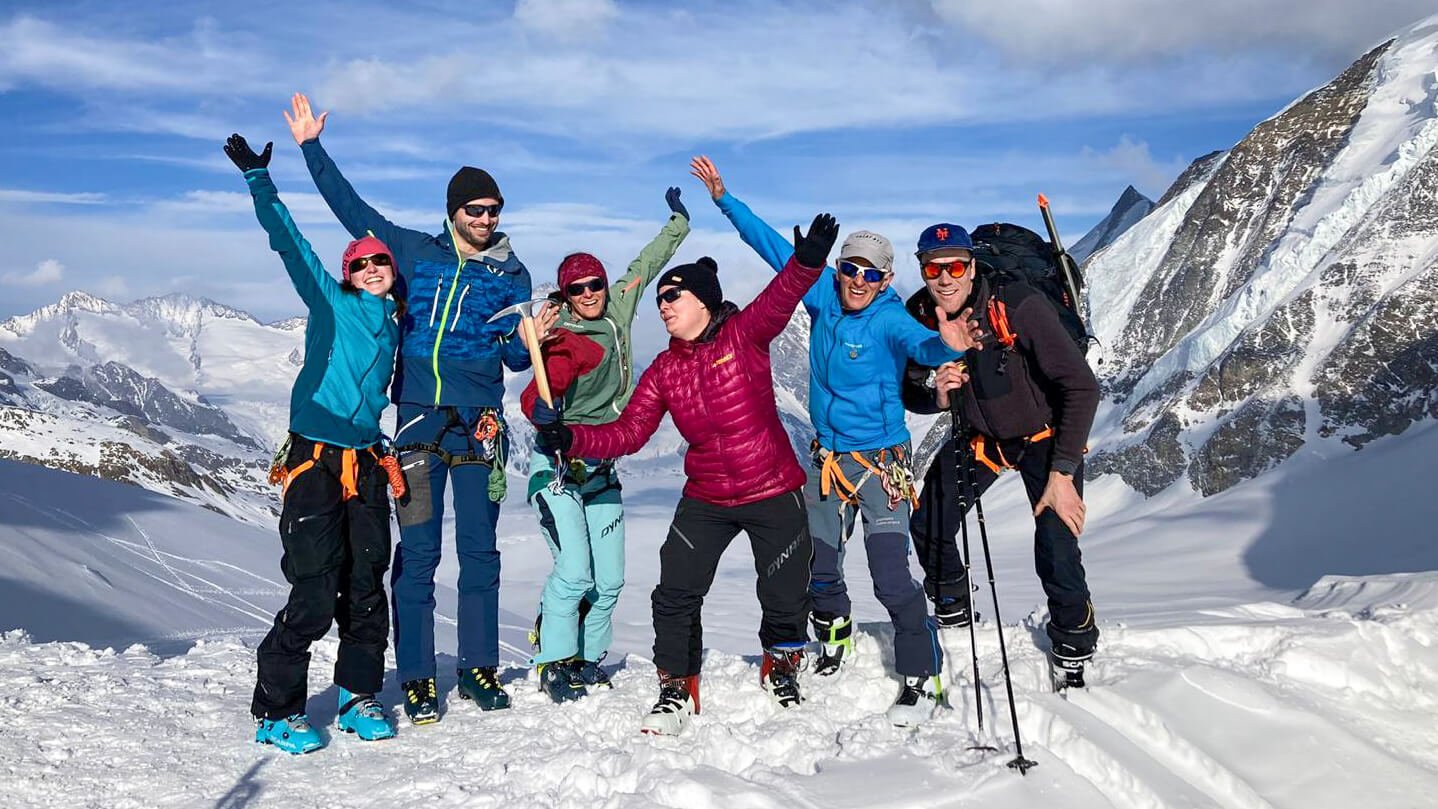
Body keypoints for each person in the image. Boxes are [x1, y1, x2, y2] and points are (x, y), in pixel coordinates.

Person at [690, 157, 980, 727]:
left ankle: (923, 668)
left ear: (887, 279)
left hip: (881, 464)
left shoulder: (889, 320)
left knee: (892, 574)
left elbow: (922, 347)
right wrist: (726, 199)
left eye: (871, 274)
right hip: (826, 460)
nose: (857, 281)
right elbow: (772, 246)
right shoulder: (822, 293)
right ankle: (834, 632)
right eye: (851, 268)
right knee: (821, 566)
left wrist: (947, 346)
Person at [532, 214, 840, 735]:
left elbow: (780, 297)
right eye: (660, 300)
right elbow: (629, 433)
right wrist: (574, 438)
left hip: (771, 487)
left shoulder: (745, 334)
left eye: (673, 297)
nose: (664, 306)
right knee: (674, 590)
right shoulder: (664, 370)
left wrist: (807, 260)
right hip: (708, 495)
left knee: (785, 590)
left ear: (704, 301)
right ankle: (676, 685)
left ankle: (783, 659)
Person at [284, 93, 534, 724]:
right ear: (454, 212)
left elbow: (514, 361)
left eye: (494, 209)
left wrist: (533, 337)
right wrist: (312, 148)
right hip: (420, 420)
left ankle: (477, 667)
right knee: (418, 552)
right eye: (476, 209)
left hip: (480, 423)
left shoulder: (514, 277)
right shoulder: (413, 252)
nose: (486, 217)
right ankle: (418, 674)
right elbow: (352, 211)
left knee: (480, 550)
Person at [227, 134, 402, 753]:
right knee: (312, 588)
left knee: (364, 585)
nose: (373, 269)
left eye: (381, 261)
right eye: (361, 263)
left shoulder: (397, 324)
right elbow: (290, 244)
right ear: (348, 272)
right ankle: (277, 712)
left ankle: (357, 699)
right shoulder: (331, 301)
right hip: (315, 459)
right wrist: (258, 180)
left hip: (367, 461)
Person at [902, 223, 1101, 684]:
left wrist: (1063, 473)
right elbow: (910, 392)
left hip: (1046, 436)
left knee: (1055, 538)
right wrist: (939, 397)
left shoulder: (1018, 306)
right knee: (928, 521)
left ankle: (1074, 637)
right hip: (981, 439)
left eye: (955, 266)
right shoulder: (921, 317)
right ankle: (953, 610)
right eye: (934, 267)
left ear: (972, 267)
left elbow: (1081, 387)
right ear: (923, 270)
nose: (945, 277)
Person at [518, 188, 691, 702]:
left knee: (609, 581)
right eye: (578, 288)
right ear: (566, 295)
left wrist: (678, 223)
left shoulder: (618, 303)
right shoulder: (564, 339)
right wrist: (540, 412)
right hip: (557, 469)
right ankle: (553, 659)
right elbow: (537, 391)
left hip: (603, 467)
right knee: (575, 572)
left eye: (594, 283)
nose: (590, 293)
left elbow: (647, 261)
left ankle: (587, 659)